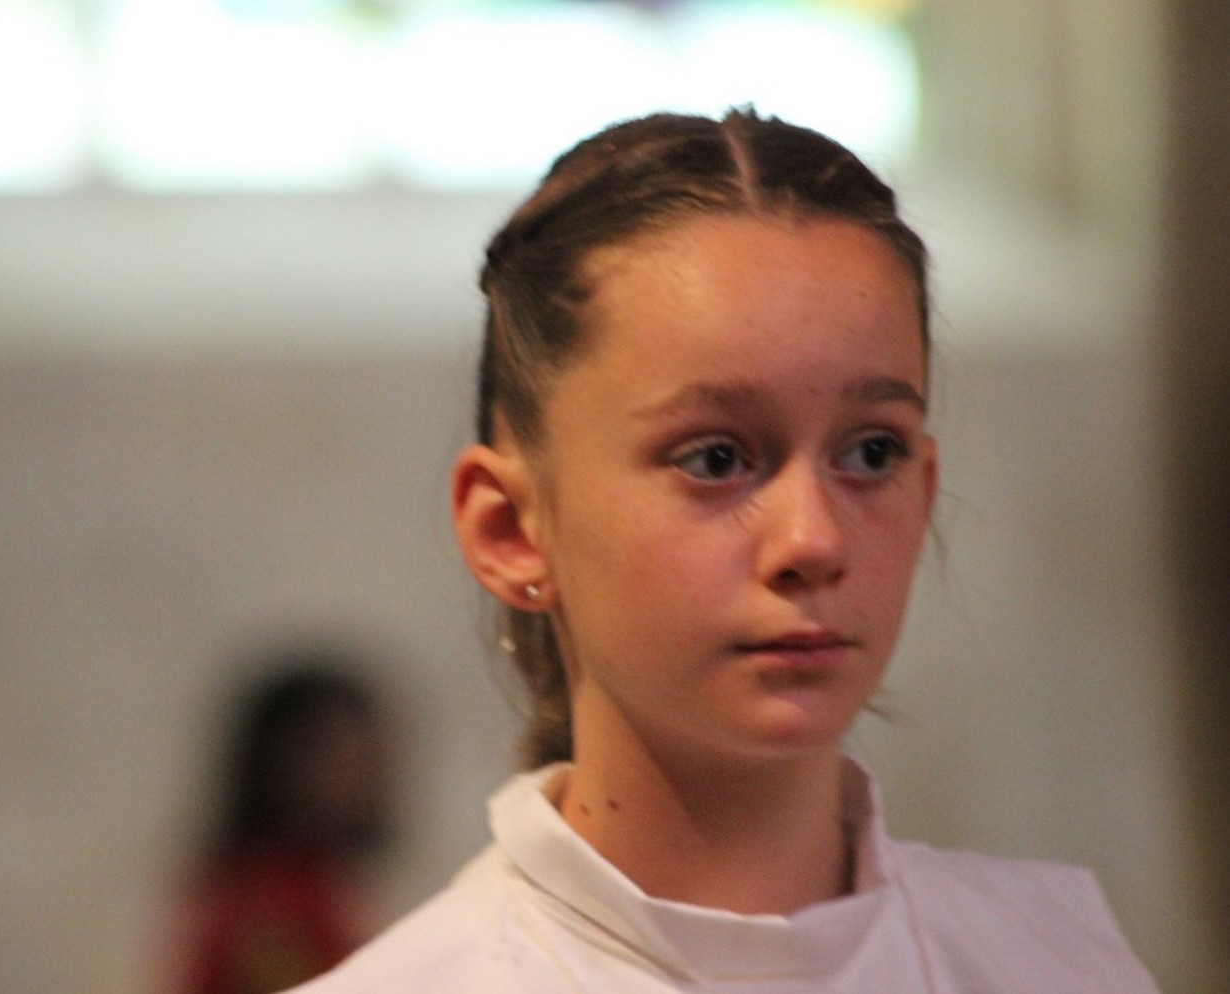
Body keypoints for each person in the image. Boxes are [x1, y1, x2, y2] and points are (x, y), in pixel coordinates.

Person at [284, 108, 1160, 992]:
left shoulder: (1059, 963)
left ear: (925, 487)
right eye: (713, 459)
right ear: (511, 529)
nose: (812, 540)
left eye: (870, 453)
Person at [170, 652, 390, 994]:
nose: (354, 778)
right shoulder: (269, 901)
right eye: (332, 757)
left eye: (361, 757)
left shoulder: (318, 883)